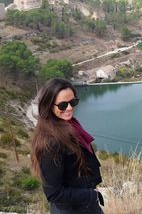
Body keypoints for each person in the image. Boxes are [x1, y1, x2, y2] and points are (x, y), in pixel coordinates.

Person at [31, 78, 104, 214]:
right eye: (63, 105)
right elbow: (53, 194)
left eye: (73, 102)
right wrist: (91, 195)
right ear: (49, 105)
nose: (70, 108)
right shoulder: (51, 142)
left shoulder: (70, 125)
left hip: (85, 205)